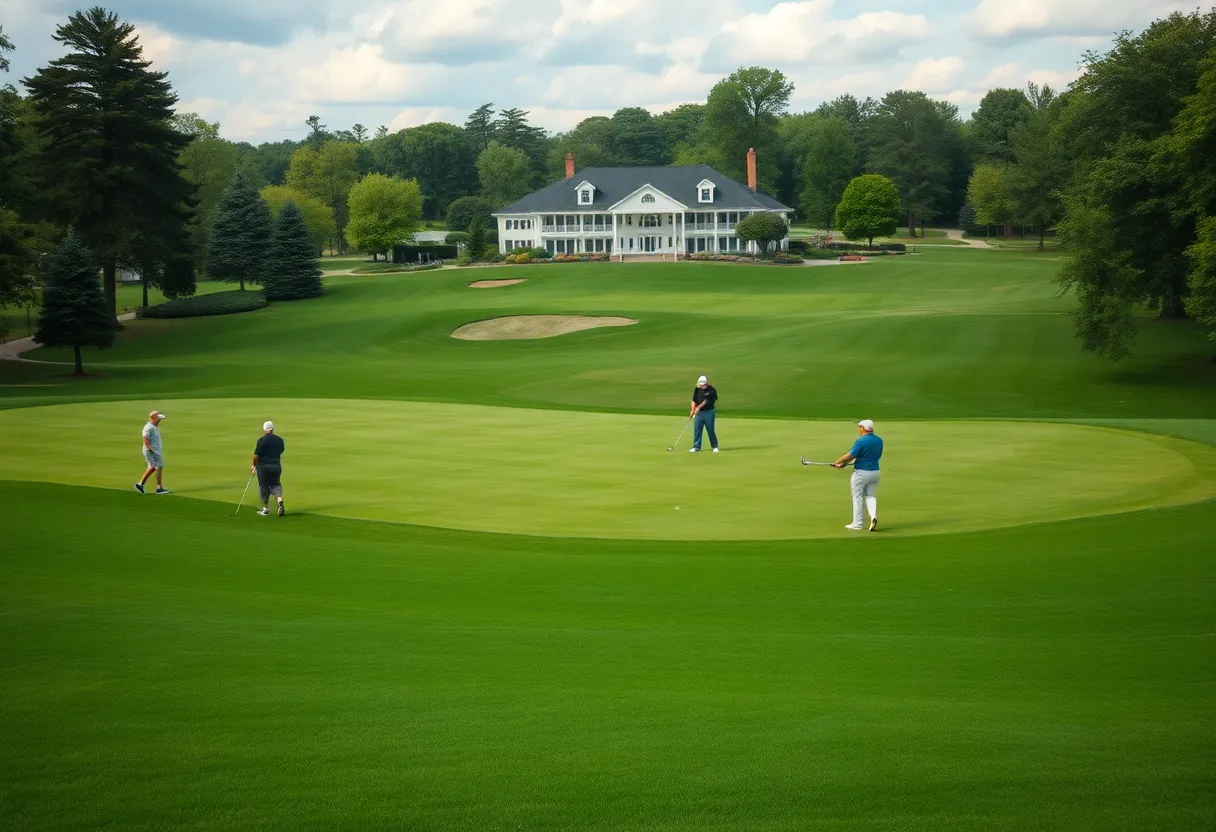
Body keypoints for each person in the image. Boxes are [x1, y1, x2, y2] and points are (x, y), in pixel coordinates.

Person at [833, 419, 883, 531]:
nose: (859, 429)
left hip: (861, 473)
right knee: (870, 495)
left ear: (863, 428)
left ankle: (857, 523)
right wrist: (844, 464)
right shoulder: (879, 440)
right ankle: (873, 516)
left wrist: (838, 461)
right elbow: (863, 457)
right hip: (875, 472)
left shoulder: (861, 441)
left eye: (860, 427)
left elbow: (851, 455)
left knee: (857, 498)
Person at [252, 420, 286, 517]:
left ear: (264, 429)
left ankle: (266, 509)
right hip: (276, 465)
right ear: (272, 429)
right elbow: (281, 451)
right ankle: (279, 498)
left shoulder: (262, 440)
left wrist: (253, 465)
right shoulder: (279, 440)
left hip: (263, 467)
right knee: (276, 484)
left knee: (264, 486)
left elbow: (256, 456)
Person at [135, 410, 169, 494]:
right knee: (158, 466)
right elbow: (145, 439)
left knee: (153, 467)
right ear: (153, 419)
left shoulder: (153, 426)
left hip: (154, 451)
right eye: (158, 419)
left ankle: (140, 484)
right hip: (151, 451)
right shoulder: (148, 428)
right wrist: (151, 450)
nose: (160, 420)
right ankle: (159, 488)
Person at [689, 374, 719, 453]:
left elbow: (706, 401)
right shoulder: (697, 389)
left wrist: (697, 408)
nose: (700, 387)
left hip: (709, 412)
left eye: (701, 385)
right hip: (699, 414)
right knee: (697, 429)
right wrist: (692, 410)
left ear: (705, 384)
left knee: (710, 430)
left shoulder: (711, 390)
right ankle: (696, 447)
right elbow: (694, 400)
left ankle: (714, 446)